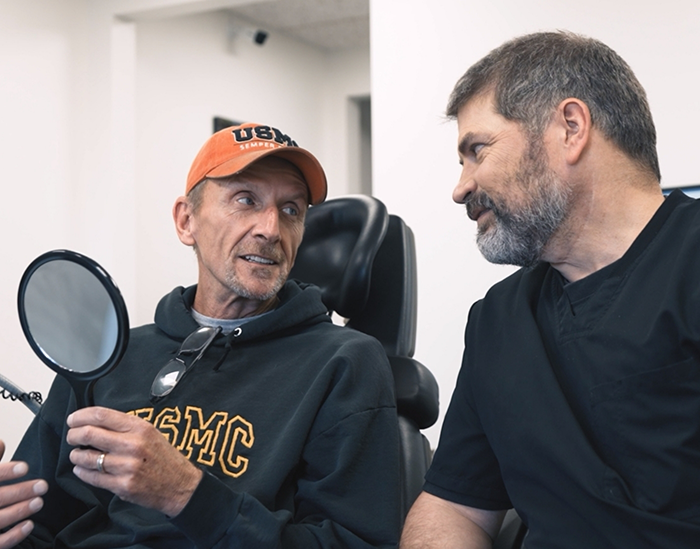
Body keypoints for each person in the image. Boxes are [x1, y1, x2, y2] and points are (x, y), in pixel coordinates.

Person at [0, 122, 401, 548]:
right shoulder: (107, 358)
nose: (271, 229)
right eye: (245, 199)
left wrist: (189, 496)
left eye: (291, 210)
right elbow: (33, 525)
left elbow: (353, 542)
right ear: (186, 220)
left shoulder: (344, 362)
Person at [400, 31, 700, 548]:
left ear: (570, 128)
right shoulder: (497, 319)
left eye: (477, 151)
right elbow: (455, 506)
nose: (461, 187)